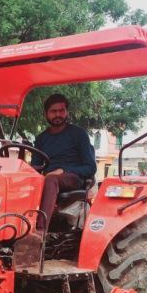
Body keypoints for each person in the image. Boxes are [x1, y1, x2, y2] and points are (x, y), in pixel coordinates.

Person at [32, 93, 97, 233]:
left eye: (61, 111)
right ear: (46, 114)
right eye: (53, 111)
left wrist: (63, 170)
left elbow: (90, 167)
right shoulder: (41, 139)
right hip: (47, 179)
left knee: (51, 179)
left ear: (66, 112)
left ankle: (39, 233)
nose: (58, 115)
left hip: (72, 178)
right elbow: (35, 167)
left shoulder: (78, 134)